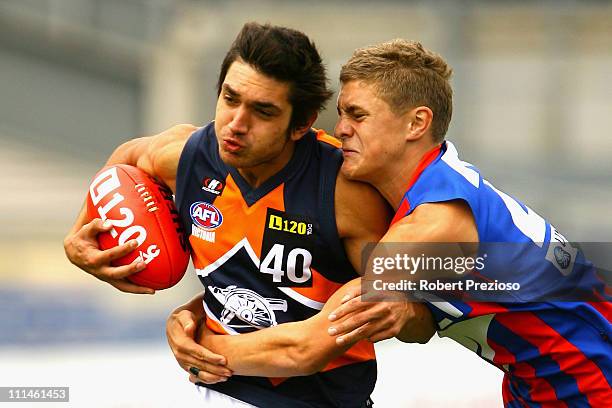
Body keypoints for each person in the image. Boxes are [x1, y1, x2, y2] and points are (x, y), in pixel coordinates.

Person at [64, 23, 434, 407]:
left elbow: (419, 323)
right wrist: (80, 236)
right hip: (217, 390)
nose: (236, 125)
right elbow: (125, 158)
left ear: (302, 124)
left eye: (262, 111)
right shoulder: (185, 156)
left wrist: (403, 311)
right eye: (230, 98)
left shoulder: (346, 194)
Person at [327, 39, 612, 406]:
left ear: (417, 123)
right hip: (537, 387)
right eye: (341, 113)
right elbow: (420, 326)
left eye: (357, 115)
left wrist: (230, 352)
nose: (340, 129)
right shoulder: (440, 180)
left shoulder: (434, 223)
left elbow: (321, 336)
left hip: (589, 387)